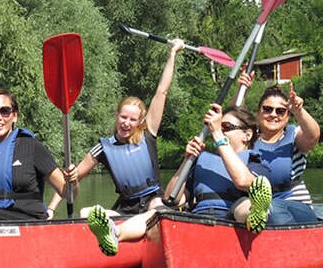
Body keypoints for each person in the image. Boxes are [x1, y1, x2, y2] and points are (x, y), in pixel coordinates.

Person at [87, 104, 273, 256]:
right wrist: (186, 160)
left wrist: (216, 134)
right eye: (218, 127)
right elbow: (172, 198)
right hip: (199, 219)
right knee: (158, 211)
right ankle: (115, 234)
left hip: (233, 219)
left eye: (226, 128)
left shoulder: (256, 161)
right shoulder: (203, 161)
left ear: (247, 135)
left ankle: (255, 216)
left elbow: (242, 181)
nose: (220, 131)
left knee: (244, 204)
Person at [47, 40, 186, 219]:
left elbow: (162, 91)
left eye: (132, 119)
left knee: (158, 208)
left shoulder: (148, 132)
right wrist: (51, 208)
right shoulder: (103, 147)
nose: (126, 123)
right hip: (126, 208)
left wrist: (172, 54)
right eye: (123, 117)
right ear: (116, 115)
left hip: (153, 200)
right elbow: (71, 179)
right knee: (85, 213)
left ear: (140, 121)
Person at [0, 89, 76, 221]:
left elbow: (68, 192)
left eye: (5, 111)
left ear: (15, 116)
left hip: (29, 221)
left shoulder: (31, 146)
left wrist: (73, 182)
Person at [238, 72, 320, 224]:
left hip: (295, 205)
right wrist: (242, 90)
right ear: (258, 112)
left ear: (288, 116)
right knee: (255, 210)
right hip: (258, 207)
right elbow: (232, 119)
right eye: (267, 109)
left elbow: (313, 136)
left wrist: (298, 111)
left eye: (280, 111)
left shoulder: (293, 135)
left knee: (272, 208)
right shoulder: (247, 137)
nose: (273, 114)